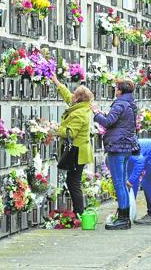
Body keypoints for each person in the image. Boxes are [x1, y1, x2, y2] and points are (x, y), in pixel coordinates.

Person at [91, 79, 140, 230]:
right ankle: (123, 217)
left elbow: (108, 122)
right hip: (126, 147)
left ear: (120, 90)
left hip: (117, 147)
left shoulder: (119, 103)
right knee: (122, 182)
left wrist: (96, 112)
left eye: (116, 88)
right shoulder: (130, 104)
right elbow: (119, 122)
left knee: (119, 183)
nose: (115, 90)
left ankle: (123, 219)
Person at [52, 75, 94, 215]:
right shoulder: (80, 106)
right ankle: (78, 212)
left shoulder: (79, 114)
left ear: (79, 98)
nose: (72, 95)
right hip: (78, 150)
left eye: (75, 94)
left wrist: (54, 129)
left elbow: (70, 133)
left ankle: (79, 213)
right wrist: (56, 81)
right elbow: (67, 96)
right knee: (72, 181)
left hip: (77, 152)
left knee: (73, 182)